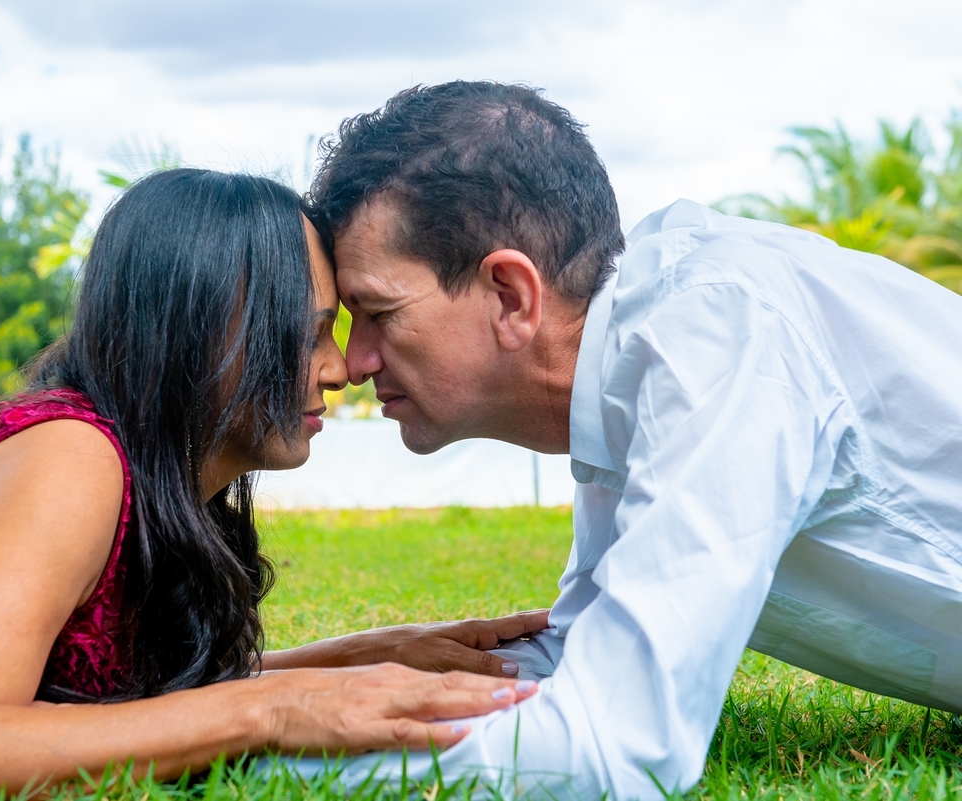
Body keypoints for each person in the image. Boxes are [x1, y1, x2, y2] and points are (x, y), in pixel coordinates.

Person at [0, 168, 544, 796]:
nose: (339, 369)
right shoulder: (65, 458)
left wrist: (366, 654)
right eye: (306, 334)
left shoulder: (146, 477)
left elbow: (108, 703)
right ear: (198, 332)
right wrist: (271, 708)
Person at [302, 81, 962, 799]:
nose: (353, 362)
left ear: (511, 296)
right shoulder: (631, 369)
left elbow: (614, 746)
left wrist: (253, 748)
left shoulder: (715, 330)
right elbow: (587, 655)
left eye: (376, 312)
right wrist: (255, 694)